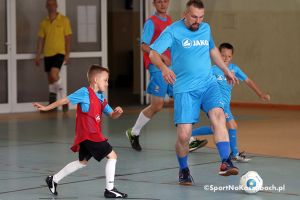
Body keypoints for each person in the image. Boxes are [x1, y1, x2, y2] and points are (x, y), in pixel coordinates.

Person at [149, 0, 240, 185]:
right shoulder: (173, 31)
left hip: (208, 84)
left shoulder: (205, 28)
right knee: (184, 135)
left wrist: (225, 70)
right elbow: (152, 53)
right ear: (185, 13)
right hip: (185, 89)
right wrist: (164, 68)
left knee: (218, 116)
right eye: (193, 17)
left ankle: (225, 161)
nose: (197, 21)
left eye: (200, 17)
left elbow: (213, 50)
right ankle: (183, 169)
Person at [33, 65, 127, 198]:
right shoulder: (84, 92)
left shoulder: (100, 97)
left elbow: (112, 115)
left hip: (88, 136)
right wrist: (46, 108)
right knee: (112, 156)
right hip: (90, 135)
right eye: (105, 80)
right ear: (95, 80)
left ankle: (53, 179)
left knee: (82, 162)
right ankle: (110, 189)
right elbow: (64, 100)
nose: (107, 83)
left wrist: (117, 112)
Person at [125, 0, 208, 151]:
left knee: (181, 98)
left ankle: (188, 139)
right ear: (153, 4)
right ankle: (134, 131)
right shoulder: (151, 22)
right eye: (159, 2)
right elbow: (144, 45)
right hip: (158, 68)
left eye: (165, 1)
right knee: (157, 105)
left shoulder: (171, 21)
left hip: (172, 69)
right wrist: (162, 58)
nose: (163, 4)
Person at [189, 43, 271, 161]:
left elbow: (248, 81)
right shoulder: (212, 70)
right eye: (223, 55)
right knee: (232, 125)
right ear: (218, 55)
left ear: (232, 57)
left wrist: (260, 94)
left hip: (225, 104)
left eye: (229, 56)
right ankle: (235, 154)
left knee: (215, 128)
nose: (226, 58)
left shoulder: (234, 69)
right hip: (216, 103)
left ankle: (189, 134)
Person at [35, 0, 72, 112]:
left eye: (53, 4)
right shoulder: (43, 23)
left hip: (59, 53)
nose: (51, 7)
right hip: (47, 53)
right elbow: (41, 40)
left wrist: (67, 54)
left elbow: (68, 38)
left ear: (56, 6)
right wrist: (38, 55)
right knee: (50, 80)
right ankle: (52, 104)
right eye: (49, 5)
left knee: (53, 74)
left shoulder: (64, 20)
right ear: (46, 6)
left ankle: (65, 100)